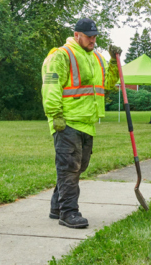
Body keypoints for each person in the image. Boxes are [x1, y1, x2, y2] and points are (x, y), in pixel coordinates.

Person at [41, 18, 120, 229]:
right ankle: (69, 212)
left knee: (80, 166)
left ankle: (57, 205)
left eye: (95, 36)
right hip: (66, 121)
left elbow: (108, 84)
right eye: (89, 36)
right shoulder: (61, 55)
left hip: (87, 121)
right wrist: (55, 114)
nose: (93, 39)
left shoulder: (96, 57)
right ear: (77, 35)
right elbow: (50, 86)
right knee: (69, 168)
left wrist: (113, 62)